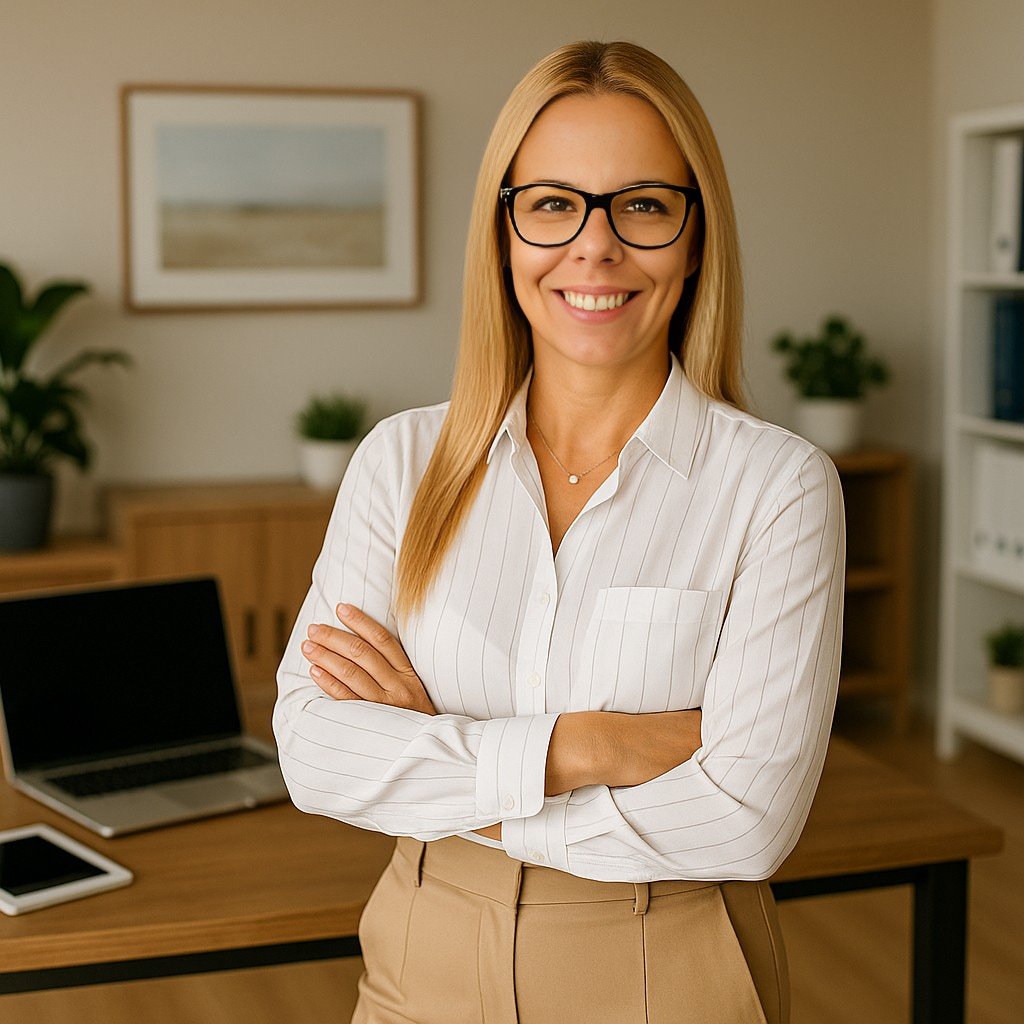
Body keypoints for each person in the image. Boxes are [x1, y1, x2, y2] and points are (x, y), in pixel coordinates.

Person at [273, 38, 845, 1024]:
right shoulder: (400, 463)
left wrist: (449, 768)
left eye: (642, 204)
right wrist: (583, 747)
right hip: (421, 951)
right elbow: (315, 748)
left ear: (695, 235)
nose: (595, 246)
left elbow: (746, 821)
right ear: (503, 234)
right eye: (551, 203)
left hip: (664, 962)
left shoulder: (779, 486)